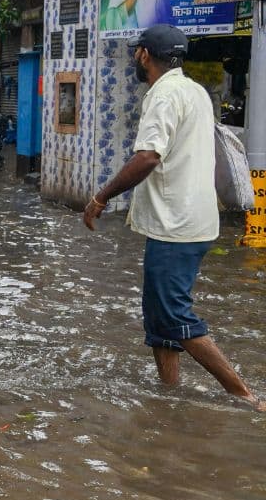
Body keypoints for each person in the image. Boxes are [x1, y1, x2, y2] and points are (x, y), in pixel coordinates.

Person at [83, 24, 261, 410]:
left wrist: (100, 197)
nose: (134, 58)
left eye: (136, 52)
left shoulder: (163, 95)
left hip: (176, 225)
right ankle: (170, 394)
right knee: (159, 317)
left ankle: (244, 395)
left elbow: (148, 156)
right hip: (191, 219)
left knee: (173, 314)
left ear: (144, 55)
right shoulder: (194, 90)